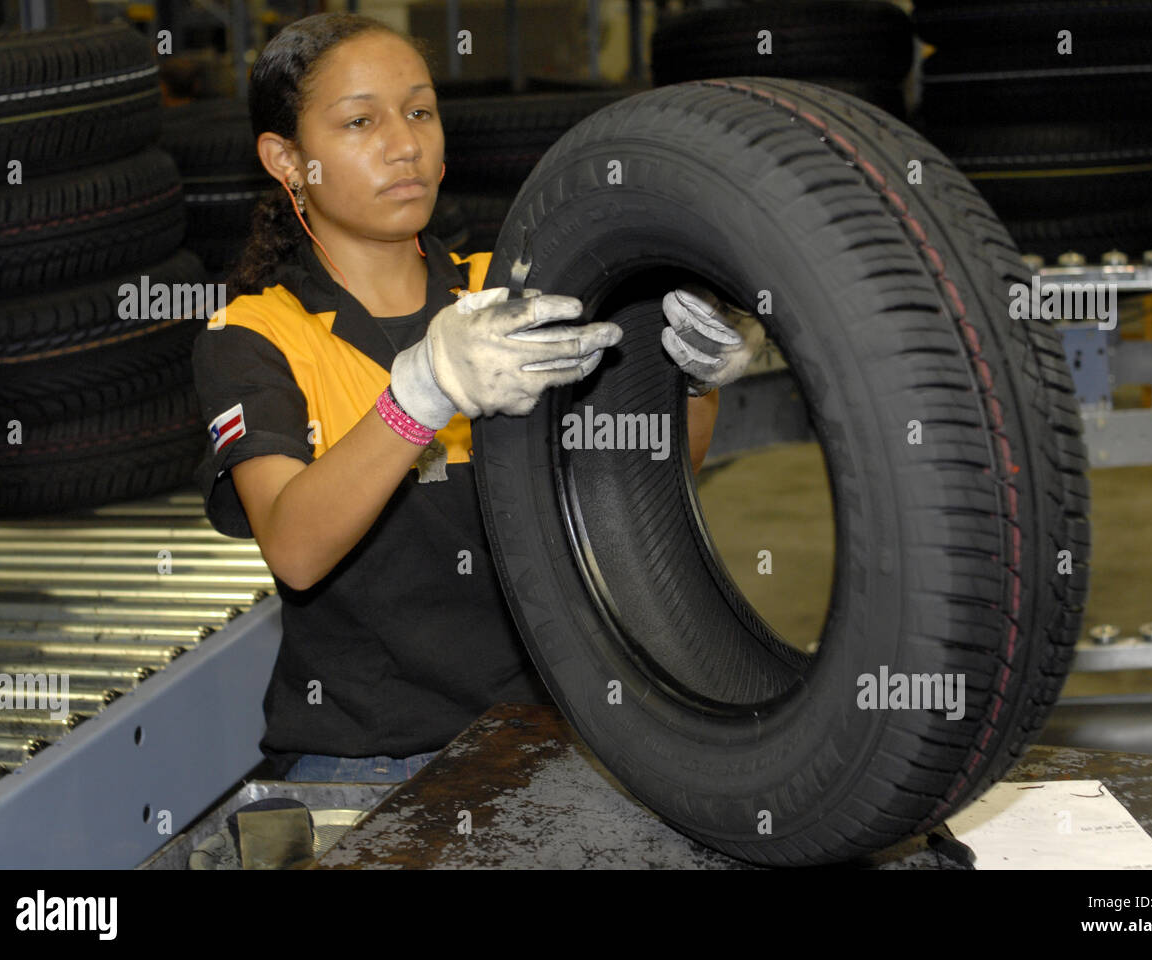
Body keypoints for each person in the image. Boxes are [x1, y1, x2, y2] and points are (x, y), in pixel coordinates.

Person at [191, 12, 764, 785]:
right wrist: (421, 394)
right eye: (360, 121)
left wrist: (691, 380)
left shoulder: (512, 291)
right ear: (286, 160)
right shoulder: (256, 334)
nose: (404, 145)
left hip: (558, 731)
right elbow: (294, 550)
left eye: (420, 111)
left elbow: (639, 479)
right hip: (371, 757)